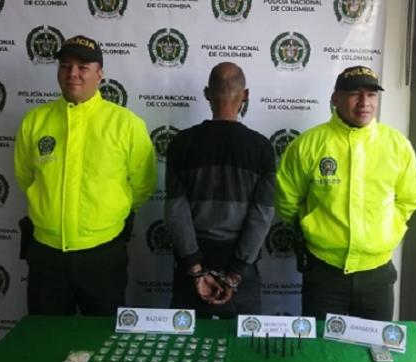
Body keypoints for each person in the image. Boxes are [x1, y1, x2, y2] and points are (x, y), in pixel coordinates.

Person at [14, 35, 157, 316]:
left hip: (102, 255)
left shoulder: (126, 124)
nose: (73, 74)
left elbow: (143, 184)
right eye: (65, 66)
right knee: (47, 336)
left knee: (103, 337)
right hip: (46, 255)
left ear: (99, 74)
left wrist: (107, 216)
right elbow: (25, 177)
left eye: (83, 67)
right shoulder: (35, 121)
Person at [275, 65, 416, 321]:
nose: (364, 102)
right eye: (355, 93)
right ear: (335, 99)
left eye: (371, 94)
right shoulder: (307, 145)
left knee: (374, 345)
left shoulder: (397, 145)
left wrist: (389, 229)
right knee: (320, 345)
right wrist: (311, 225)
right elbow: (286, 199)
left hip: (377, 273)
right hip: (323, 272)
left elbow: (411, 197)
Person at [165, 62, 276, 318]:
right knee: (243, 341)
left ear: (207, 93)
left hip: (192, 265)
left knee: (186, 340)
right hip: (241, 268)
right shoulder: (261, 148)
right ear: (245, 95)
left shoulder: (181, 144)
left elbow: (175, 212)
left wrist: (195, 269)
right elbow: (262, 216)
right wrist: (235, 274)